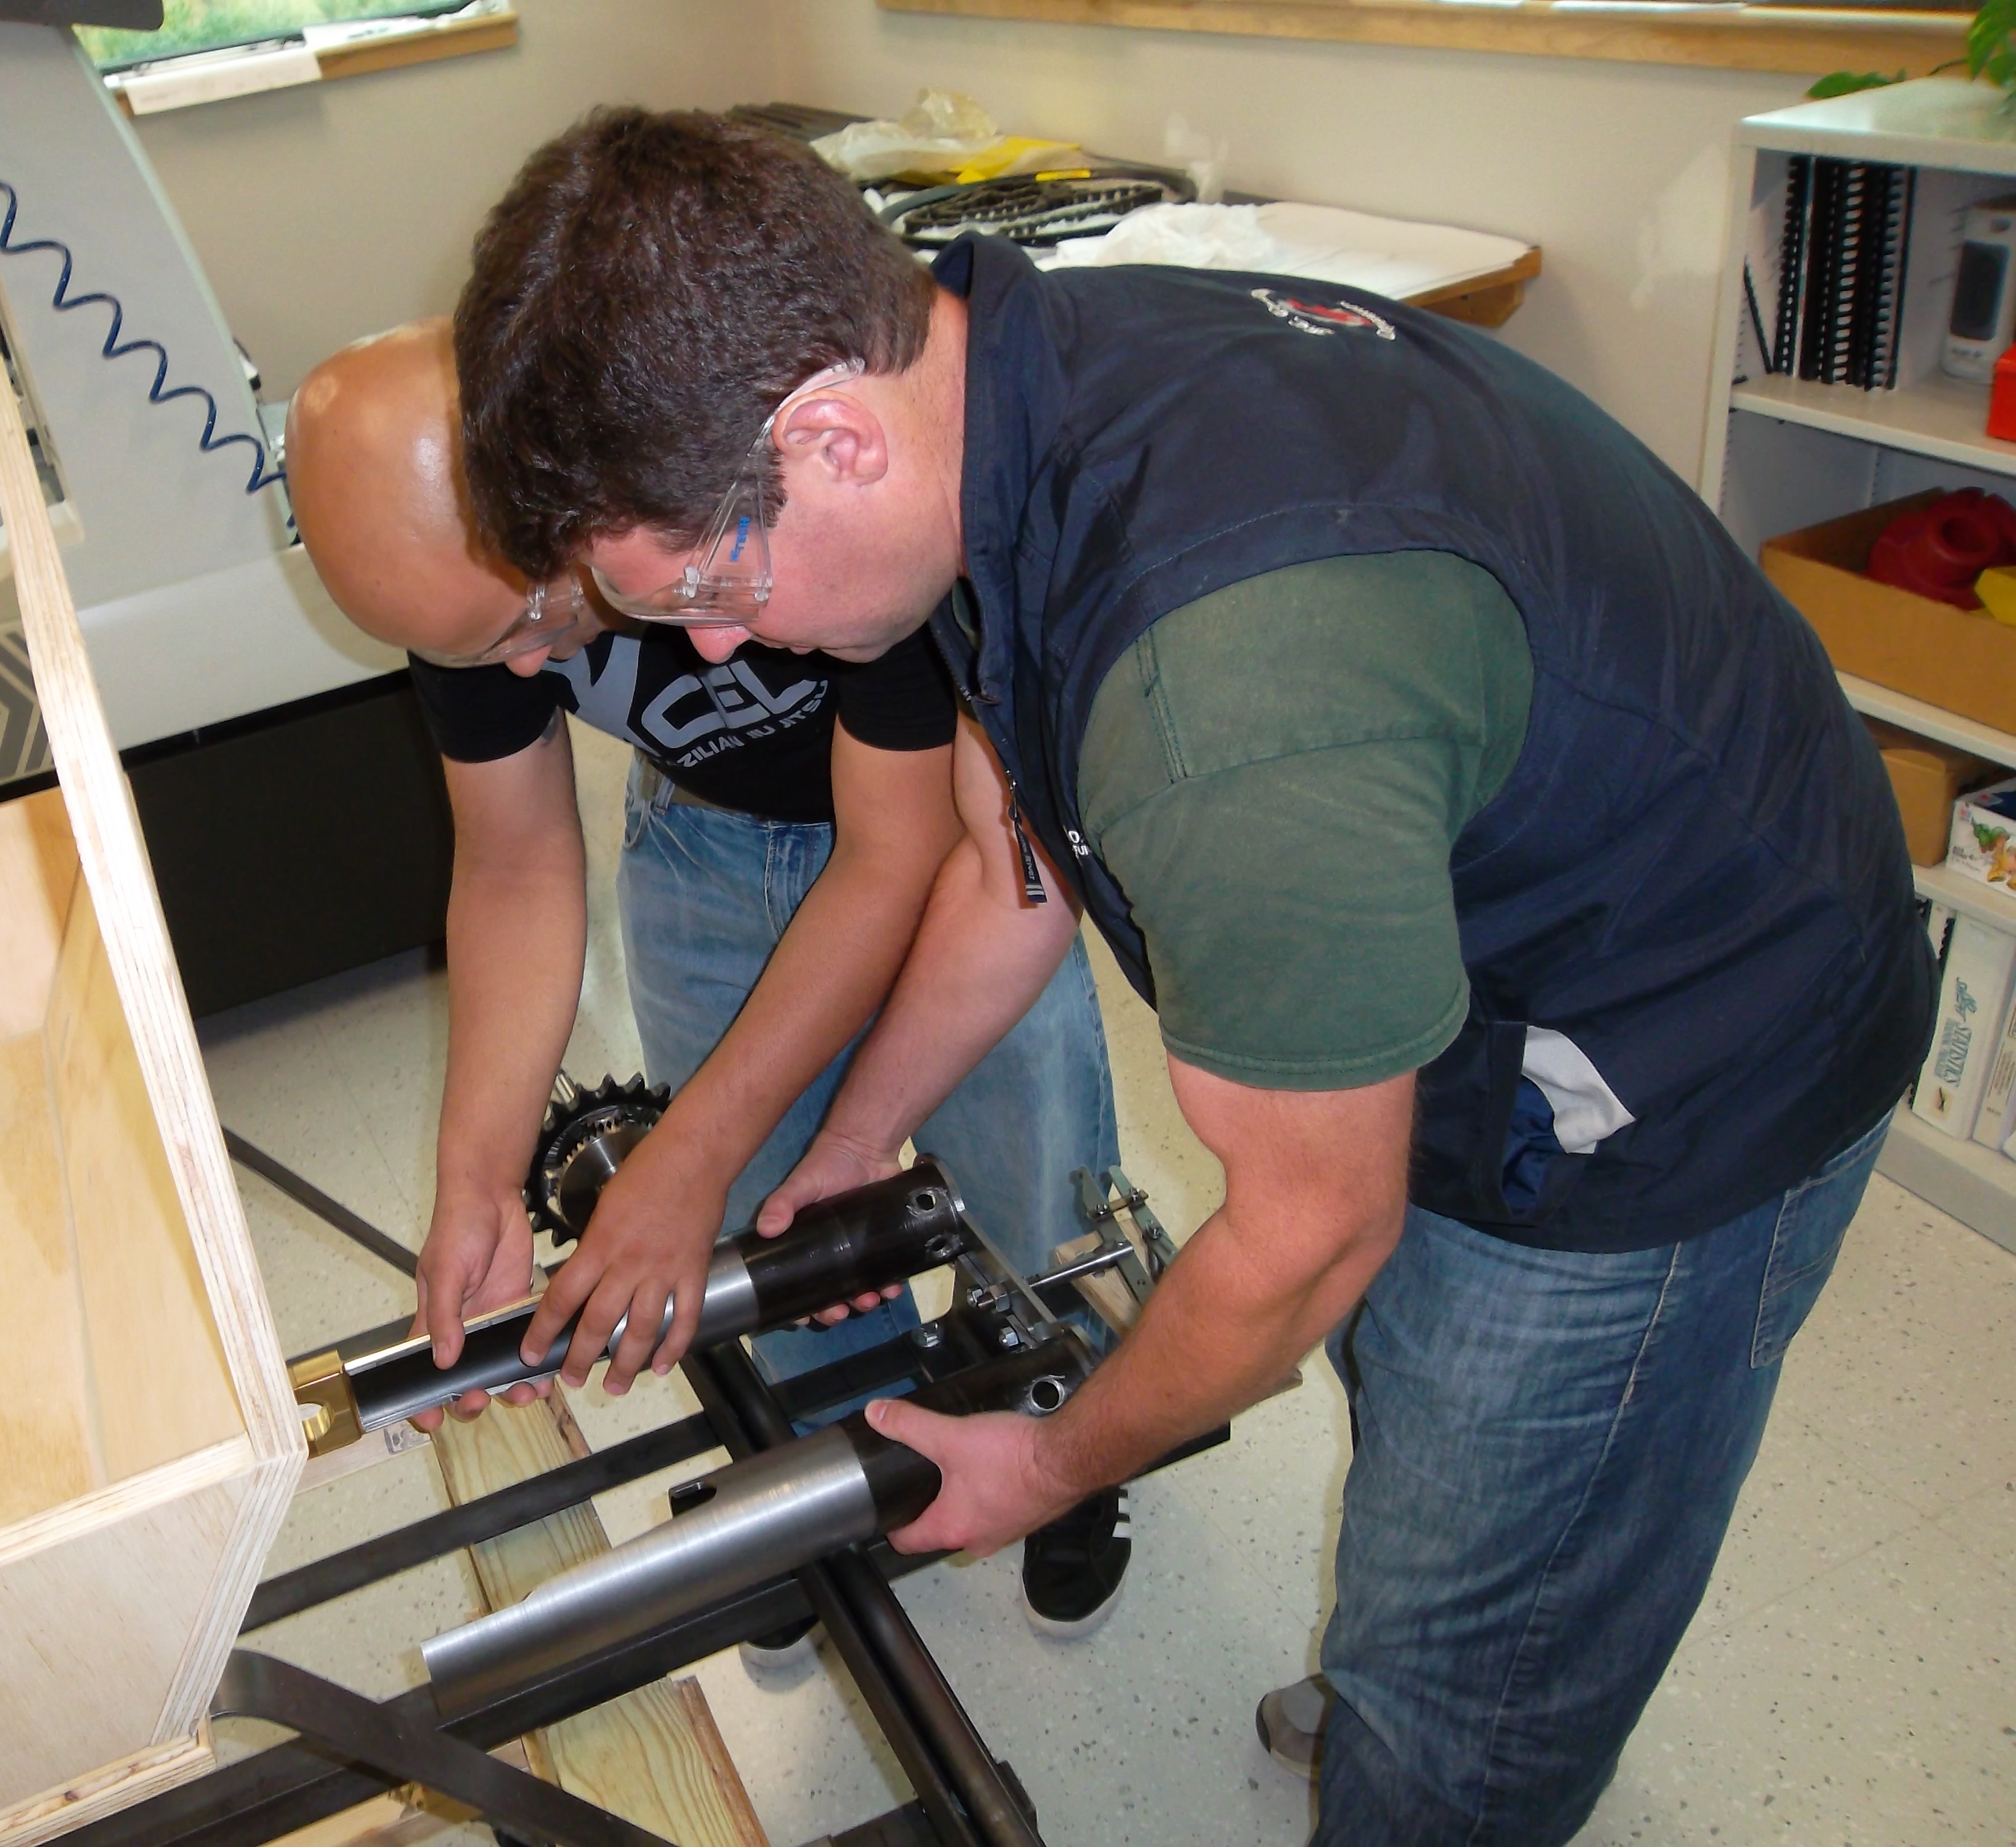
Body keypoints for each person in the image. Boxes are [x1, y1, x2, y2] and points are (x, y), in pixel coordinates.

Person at [445, 109, 1936, 1845]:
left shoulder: (1220, 686)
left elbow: (1309, 1233)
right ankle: (1428, 1638)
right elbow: (1016, 876)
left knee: (1470, 1684)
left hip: (1684, 1064)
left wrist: (1051, 1462)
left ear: (830, 435)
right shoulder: (996, 385)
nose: (714, 644)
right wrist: (857, 1139)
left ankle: (1447, 1723)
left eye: (706, 584)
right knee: (1421, 1417)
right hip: (1505, 918)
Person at [281, 320, 1130, 1636]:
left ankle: (1072, 1433)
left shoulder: (786, 509)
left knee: (1034, 1178)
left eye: (531, 621)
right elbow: (513, 866)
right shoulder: (465, 598)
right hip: (700, 847)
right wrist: (478, 1177)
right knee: (767, 1224)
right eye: (475, 655)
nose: (525, 670)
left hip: (938, 842)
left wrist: (683, 1155)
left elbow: (895, 856)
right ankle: (833, 1477)